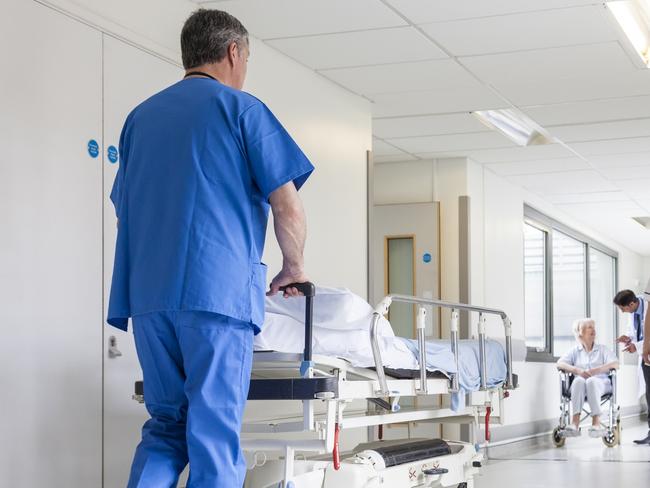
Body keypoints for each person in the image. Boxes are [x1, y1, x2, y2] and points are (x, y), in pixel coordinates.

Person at [106, 9, 314, 487]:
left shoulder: (140, 119)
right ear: (233, 53)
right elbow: (288, 206)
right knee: (213, 433)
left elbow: (125, 214)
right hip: (216, 299)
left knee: (165, 427)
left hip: (149, 300)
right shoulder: (243, 110)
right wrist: (294, 267)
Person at [556, 318, 619, 438]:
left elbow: (616, 364)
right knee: (579, 380)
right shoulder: (575, 351)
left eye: (593, 327)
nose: (593, 330)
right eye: (589, 327)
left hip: (600, 384)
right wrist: (577, 370)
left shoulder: (602, 349)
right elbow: (559, 364)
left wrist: (596, 370)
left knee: (591, 381)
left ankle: (596, 423)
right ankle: (575, 423)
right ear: (580, 332)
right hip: (579, 388)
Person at [614, 289, 650, 444]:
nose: (623, 312)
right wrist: (628, 338)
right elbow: (636, 333)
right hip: (645, 357)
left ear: (632, 303)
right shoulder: (633, 312)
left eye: (623, 308)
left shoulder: (648, 307)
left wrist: (637, 345)